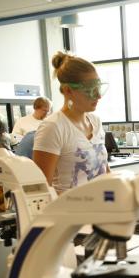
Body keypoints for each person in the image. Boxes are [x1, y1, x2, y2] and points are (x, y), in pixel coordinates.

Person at [33, 52, 110, 194]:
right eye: (90, 90)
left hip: (101, 212)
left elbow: (104, 172)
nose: (98, 95)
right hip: (68, 214)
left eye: (98, 87)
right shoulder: (53, 127)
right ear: (68, 90)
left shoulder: (95, 122)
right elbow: (41, 191)